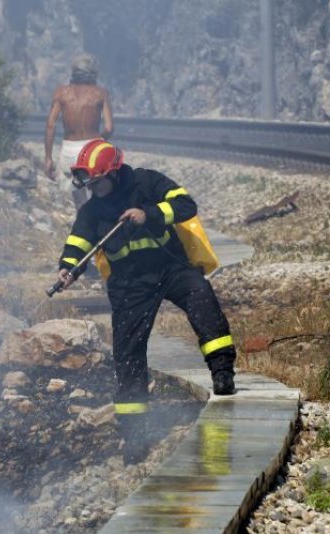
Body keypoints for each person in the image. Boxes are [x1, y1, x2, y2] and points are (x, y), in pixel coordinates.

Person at [54, 139, 237, 463]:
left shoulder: (146, 181)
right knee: (128, 354)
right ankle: (135, 435)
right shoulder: (92, 210)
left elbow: (185, 205)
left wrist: (149, 213)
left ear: (113, 173)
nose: (93, 190)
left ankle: (222, 373)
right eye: (89, 185)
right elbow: (78, 243)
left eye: (97, 183)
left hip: (170, 267)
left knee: (202, 299)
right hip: (129, 285)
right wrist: (67, 270)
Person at [44, 53, 114, 210]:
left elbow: (50, 125)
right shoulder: (100, 94)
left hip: (69, 149)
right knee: (99, 190)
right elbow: (109, 128)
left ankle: (84, 221)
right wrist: (99, 142)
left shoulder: (61, 93)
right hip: (92, 149)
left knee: (77, 192)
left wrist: (48, 157)